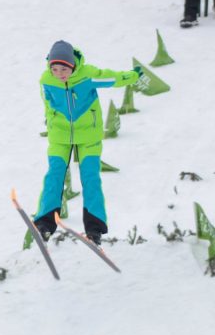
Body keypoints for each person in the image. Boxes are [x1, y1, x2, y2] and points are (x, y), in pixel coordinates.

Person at [32, 41, 138, 243]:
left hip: (89, 135)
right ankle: (44, 223)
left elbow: (113, 78)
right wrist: (51, 123)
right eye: (55, 69)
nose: (59, 73)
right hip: (60, 137)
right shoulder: (46, 80)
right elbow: (47, 104)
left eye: (64, 69)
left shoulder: (87, 75)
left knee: (90, 177)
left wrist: (133, 76)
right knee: (54, 176)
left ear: (72, 65)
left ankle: (94, 228)